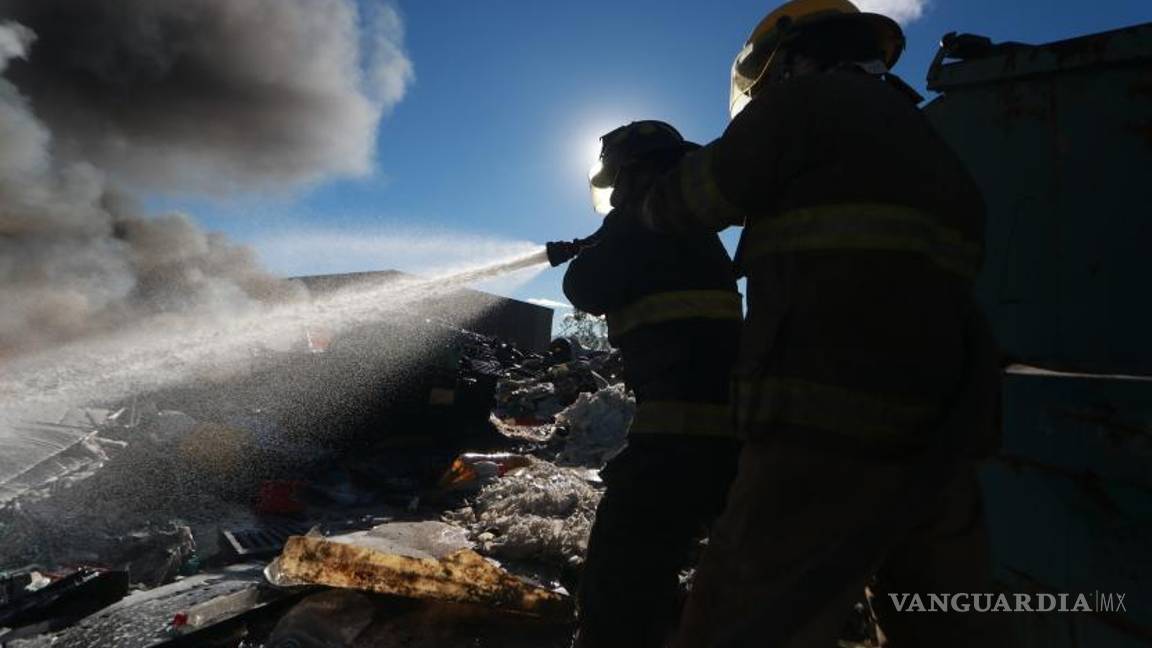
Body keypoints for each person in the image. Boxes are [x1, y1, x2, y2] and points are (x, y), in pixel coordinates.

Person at [635, 2, 1011, 646]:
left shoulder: (806, 105)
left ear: (793, 60)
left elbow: (692, 201)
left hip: (822, 424)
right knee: (948, 625)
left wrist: (641, 206)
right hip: (942, 436)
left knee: (742, 620)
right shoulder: (927, 139)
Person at [561, 121, 743, 648]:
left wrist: (603, 242)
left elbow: (585, 286)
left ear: (635, 172)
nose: (614, 194)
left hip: (680, 436)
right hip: (725, 431)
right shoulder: (692, 230)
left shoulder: (641, 220)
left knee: (621, 574)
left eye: (617, 180)